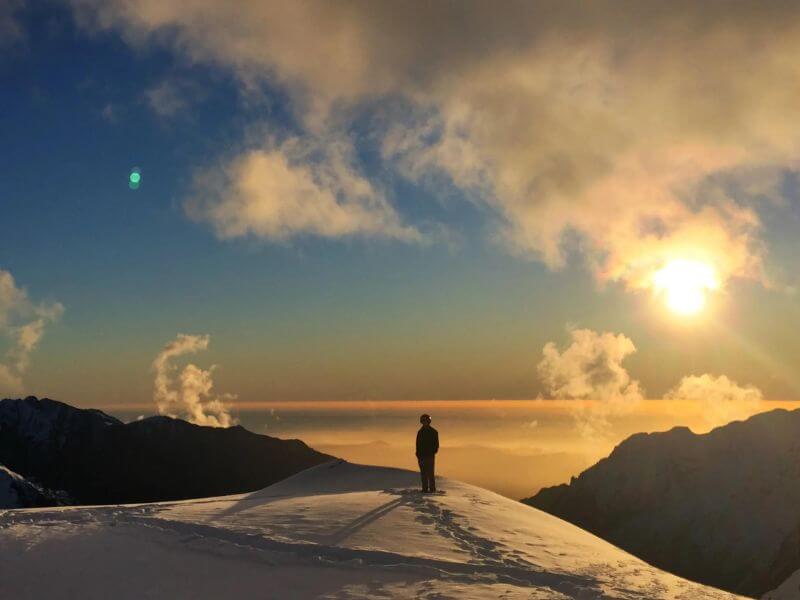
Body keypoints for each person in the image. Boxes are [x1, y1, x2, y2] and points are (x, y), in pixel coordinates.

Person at [416, 414, 439, 493]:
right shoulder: (420, 432)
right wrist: (418, 455)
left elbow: (436, 445)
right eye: (423, 421)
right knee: (423, 473)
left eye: (425, 421)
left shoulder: (433, 432)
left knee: (430, 473)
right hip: (422, 456)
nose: (424, 422)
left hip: (429, 456)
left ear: (428, 421)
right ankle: (425, 489)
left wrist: (432, 452)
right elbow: (418, 445)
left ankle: (432, 489)